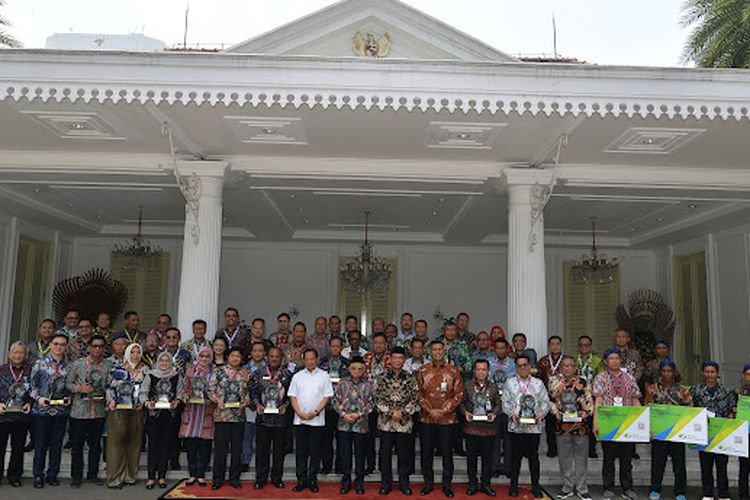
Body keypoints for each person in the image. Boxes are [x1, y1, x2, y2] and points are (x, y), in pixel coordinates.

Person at [592, 348, 642, 500]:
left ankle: (627, 488)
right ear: (606, 362)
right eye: (611, 359)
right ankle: (608, 488)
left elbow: (635, 399)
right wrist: (596, 422)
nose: (614, 361)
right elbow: (598, 401)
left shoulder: (629, 378)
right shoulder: (600, 378)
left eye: (617, 358)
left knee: (626, 459)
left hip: (627, 424)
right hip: (608, 424)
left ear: (621, 360)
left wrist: (643, 422)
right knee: (609, 458)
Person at [417, 340, 464, 498]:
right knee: (426, 453)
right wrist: (430, 410)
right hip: (427, 419)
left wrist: (443, 410)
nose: (437, 352)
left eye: (440, 349)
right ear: (430, 352)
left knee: (446, 454)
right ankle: (428, 483)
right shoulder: (423, 370)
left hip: (447, 420)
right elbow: (418, 394)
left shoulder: (453, 371)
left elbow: (458, 395)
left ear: (444, 351)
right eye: (434, 350)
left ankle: (447, 485)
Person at [502, 354, 550, 498]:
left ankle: (535, 486)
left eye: (525, 365)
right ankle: (514, 486)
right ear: (515, 368)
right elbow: (505, 402)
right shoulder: (509, 383)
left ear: (530, 366)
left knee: (533, 458)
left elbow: (545, 403)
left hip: (533, 428)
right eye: (519, 365)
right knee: (515, 458)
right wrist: (511, 414)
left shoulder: (538, 383)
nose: (522, 368)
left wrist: (541, 414)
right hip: (516, 427)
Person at [374, 346, 419, 496]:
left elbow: (415, 398)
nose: (397, 360)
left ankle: (404, 483)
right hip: (386, 423)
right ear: (390, 359)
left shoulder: (411, 378)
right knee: (385, 455)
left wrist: (403, 412)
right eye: (395, 358)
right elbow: (376, 398)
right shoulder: (381, 377)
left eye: (400, 358)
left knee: (404, 455)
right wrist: (390, 412)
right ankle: (386, 483)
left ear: (404, 360)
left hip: (404, 424)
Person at [65, 334, 109, 487]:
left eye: (100, 346)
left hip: (98, 411)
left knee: (95, 445)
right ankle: (76, 477)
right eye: (94, 346)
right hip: (79, 411)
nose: (97, 349)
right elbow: (68, 383)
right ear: (89, 347)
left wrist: (104, 395)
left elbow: (110, 386)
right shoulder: (78, 364)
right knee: (77, 445)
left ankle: (93, 474)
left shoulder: (108, 365)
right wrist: (79, 388)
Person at [288, 348, 334, 493]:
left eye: (312, 359)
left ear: (317, 359)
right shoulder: (297, 376)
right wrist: (299, 413)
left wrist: (315, 412)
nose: (309, 361)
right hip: (300, 420)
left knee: (315, 451)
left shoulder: (324, 376)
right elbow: (292, 396)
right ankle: (301, 479)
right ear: (303, 360)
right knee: (301, 452)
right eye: (306, 359)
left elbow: (327, 396)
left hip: (317, 420)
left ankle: (312, 479)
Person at [29, 332, 71, 489]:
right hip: (42, 411)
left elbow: (71, 387)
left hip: (60, 410)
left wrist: (69, 398)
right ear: (51, 345)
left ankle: (52, 474)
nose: (59, 347)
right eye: (56, 344)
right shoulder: (40, 363)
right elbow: (31, 387)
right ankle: (38, 475)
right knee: (40, 444)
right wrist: (39, 398)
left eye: (62, 344)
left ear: (66, 347)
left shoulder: (69, 366)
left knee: (56, 444)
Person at [549, 356, 594, 500]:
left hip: (581, 426)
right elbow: (550, 401)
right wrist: (556, 412)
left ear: (575, 368)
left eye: (570, 366)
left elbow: (590, 401)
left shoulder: (584, 382)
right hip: (562, 426)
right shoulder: (555, 383)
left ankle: (582, 488)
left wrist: (585, 412)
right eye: (564, 366)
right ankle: (567, 487)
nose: (567, 368)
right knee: (564, 458)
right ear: (560, 368)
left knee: (581, 458)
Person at [644, 359, 690, 500]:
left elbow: (689, 410)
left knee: (679, 464)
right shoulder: (652, 388)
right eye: (664, 371)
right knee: (658, 463)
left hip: (677, 432)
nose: (667, 374)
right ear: (660, 372)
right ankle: (655, 490)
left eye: (669, 371)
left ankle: (680, 492)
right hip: (659, 433)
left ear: (674, 372)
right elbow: (647, 408)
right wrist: (649, 429)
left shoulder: (683, 390)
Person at [690, 360, 736, 500]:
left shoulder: (726, 391)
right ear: (703, 373)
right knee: (706, 465)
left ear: (717, 374)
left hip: (721, 432)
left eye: (712, 372)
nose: (710, 375)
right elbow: (691, 410)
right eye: (707, 372)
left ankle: (723, 494)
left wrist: (730, 419)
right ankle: (708, 493)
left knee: (722, 465)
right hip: (703, 433)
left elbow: (732, 410)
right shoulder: (696, 390)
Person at [251, 346, 293, 490]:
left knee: (278, 452)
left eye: (277, 356)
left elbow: (291, 395)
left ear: (281, 358)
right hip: (263, 419)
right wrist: (256, 404)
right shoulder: (259, 373)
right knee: (262, 451)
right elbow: (253, 392)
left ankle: (277, 478)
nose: (274, 358)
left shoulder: (288, 375)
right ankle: (260, 479)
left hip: (280, 420)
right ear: (267, 357)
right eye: (272, 356)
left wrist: (286, 405)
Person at [105, 342, 146, 489]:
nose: (136, 355)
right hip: (118, 409)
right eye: (133, 352)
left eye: (138, 352)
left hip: (137, 410)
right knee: (117, 443)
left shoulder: (145, 370)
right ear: (128, 353)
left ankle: (130, 476)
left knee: (134, 443)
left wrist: (143, 401)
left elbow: (148, 389)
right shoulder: (118, 368)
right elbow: (109, 387)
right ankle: (115, 478)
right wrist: (110, 401)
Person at [140, 351, 183, 490]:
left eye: (167, 361)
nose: (164, 363)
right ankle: (151, 477)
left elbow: (180, 393)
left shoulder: (176, 376)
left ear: (171, 362)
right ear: (157, 362)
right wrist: (147, 403)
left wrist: (177, 401)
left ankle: (162, 476)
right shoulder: (151, 375)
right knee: (153, 446)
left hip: (169, 416)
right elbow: (143, 392)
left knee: (166, 446)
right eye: (162, 360)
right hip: (154, 415)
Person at [209, 347, 250, 491]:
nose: (235, 358)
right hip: (222, 415)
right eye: (233, 355)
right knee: (220, 450)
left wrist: (246, 401)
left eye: (238, 356)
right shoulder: (218, 371)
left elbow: (248, 392)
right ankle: (217, 479)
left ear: (241, 359)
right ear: (228, 357)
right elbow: (210, 390)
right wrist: (216, 400)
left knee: (236, 450)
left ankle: (234, 479)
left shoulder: (245, 373)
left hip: (238, 416)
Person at [332, 355, 374, 495]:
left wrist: (359, 415)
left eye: (360, 369)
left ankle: (359, 482)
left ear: (364, 370)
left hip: (361, 425)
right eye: (354, 368)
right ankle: (346, 482)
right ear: (349, 369)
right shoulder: (342, 383)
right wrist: (344, 414)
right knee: (345, 454)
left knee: (360, 454)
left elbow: (371, 403)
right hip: (344, 424)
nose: (357, 371)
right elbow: (334, 401)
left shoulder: (368, 385)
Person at [460, 359, 502, 497]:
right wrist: (465, 413)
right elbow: (461, 403)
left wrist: (494, 413)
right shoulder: (467, 385)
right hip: (471, 427)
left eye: (484, 369)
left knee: (487, 458)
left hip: (488, 428)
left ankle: (486, 484)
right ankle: (472, 483)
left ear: (488, 372)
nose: (481, 372)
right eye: (478, 369)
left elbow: (498, 404)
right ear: (474, 371)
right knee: (471, 458)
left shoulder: (493, 387)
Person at [179, 345, 214, 487]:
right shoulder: (190, 370)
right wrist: (186, 395)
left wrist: (212, 398)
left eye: (207, 356)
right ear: (197, 357)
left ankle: (201, 475)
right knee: (192, 446)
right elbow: (184, 388)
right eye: (201, 356)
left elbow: (216, 389)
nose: (204, 359)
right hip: (192, 412)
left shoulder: (215, 372)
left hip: (207, 412)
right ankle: (192, 474)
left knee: (205, 446)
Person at [0, 341, 33, 487]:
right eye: (15, 352)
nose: (18, 355)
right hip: (3, 415)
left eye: (21, 353)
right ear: (9, 354)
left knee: (18, 448)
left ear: (25, 355)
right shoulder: (2, 370)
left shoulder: (30, 371)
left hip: (21, 416)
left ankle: (14, 476)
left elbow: (35, 390)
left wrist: (30, 403)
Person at [318, 336, 351, 474]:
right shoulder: (321, 363)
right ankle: (326, 466)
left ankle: (340, 467)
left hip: (342, 407)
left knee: (342, 439)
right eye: (332, 346)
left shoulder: (348, 364)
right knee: (325, 439)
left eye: (338, 346)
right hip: (325, 406)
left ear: (342, 348)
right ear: (329, 347)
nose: (335, 348)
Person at [489, 338, 515, 478]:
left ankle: (508, 467)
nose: (500, 350)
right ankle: (495, 466)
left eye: (503, 348)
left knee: (508, 437)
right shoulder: (488, 362)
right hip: (493, 405)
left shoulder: (513, 364)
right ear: (494, 349)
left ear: (507, 349)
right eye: (497, 348)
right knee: (494, 438)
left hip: (508, 404)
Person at [575, 335, 604, 458]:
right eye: (581, 345)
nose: (584, 347)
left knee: (591, 422)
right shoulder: (574, 360)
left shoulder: (598, 360)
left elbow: (601, 377)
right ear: (578, 346)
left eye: (587, 345)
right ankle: (577, 450)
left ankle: (591, 449)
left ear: (591, 346)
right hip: (576, 396)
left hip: (592, 395)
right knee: (578, 422)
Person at [241, 342, 267, 473]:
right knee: (247, 435)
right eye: (255, 351)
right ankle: (245, 460)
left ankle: (261, 463)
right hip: (248, 407)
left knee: (262, 437)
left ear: (264, 353)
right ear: (250, 352)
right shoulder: (243, 369)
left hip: (264, 406)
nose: (257, 353)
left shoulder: (269, 369)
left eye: (260, 350)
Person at [538, 335, 565, 458]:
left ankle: (563, 448)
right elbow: (538, 379)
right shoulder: (543, 361)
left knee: (563, 423)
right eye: (552, 344)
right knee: (550, 425)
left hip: (564, 398)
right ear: (549, 346)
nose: (555, 346)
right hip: (547, 398)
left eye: (557, 344)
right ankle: (552, 448)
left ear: (561, 345)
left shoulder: (567, 361)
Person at [735, 363, 750, 500]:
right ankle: (743, 495)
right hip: (744, 435)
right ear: (743, 376)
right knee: (744, 467)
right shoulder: (738, 392)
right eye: (748, 374)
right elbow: (733, 411)